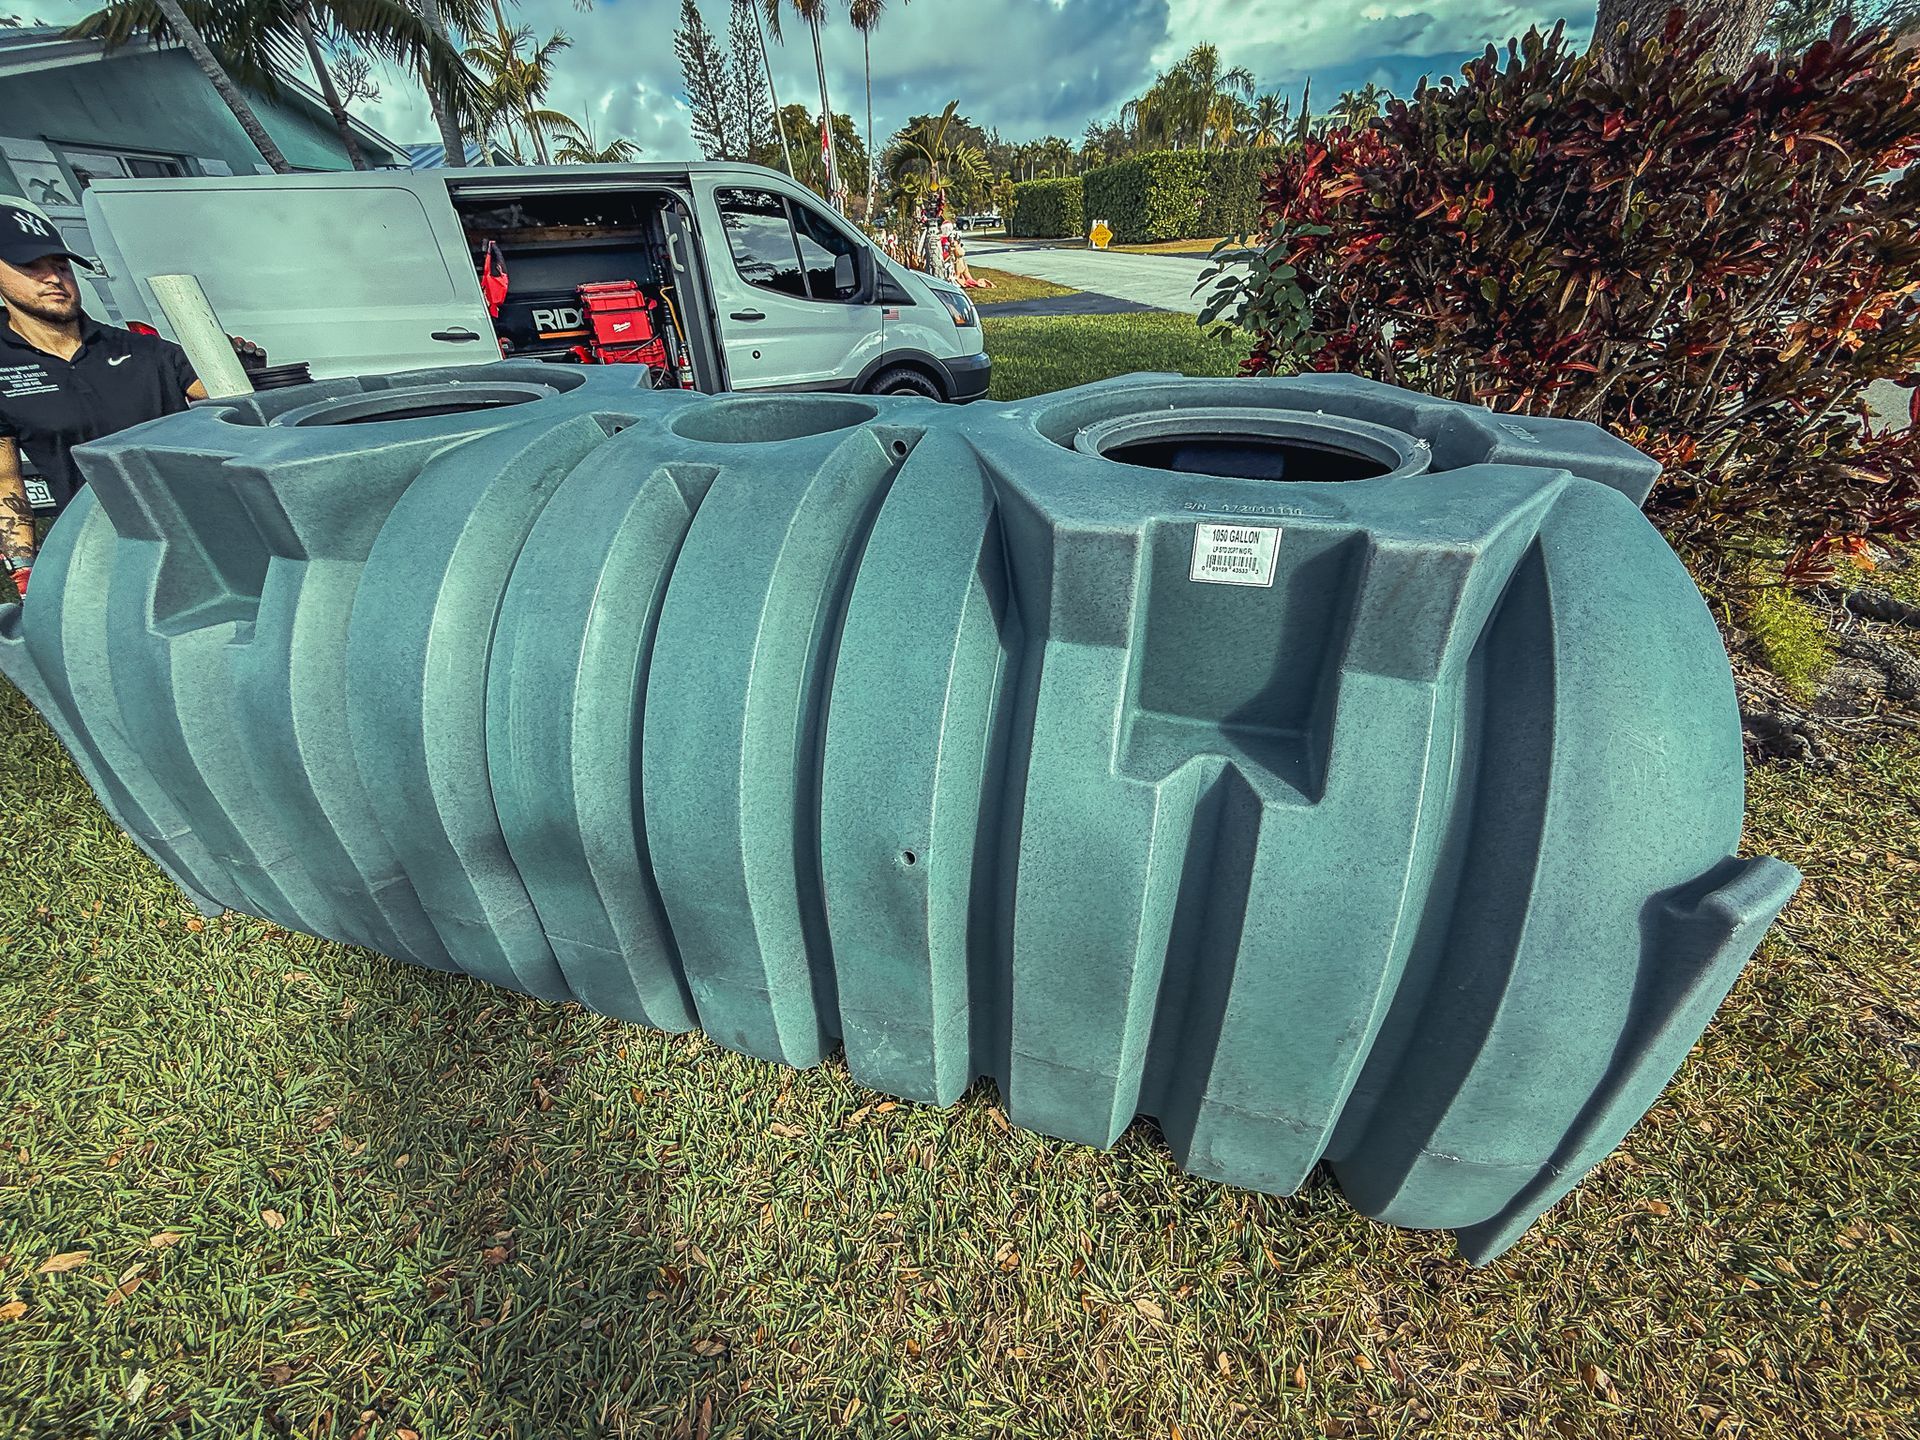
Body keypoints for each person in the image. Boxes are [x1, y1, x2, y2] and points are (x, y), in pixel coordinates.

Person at [0, 196, 260, 599]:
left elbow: (229, 398)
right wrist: (26, 574)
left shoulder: (144, 350)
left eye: (61, 266)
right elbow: (6, 482)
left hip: (203, 535)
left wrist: (232, 361)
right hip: (102, 550)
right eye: (31, 266)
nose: (53, 278)